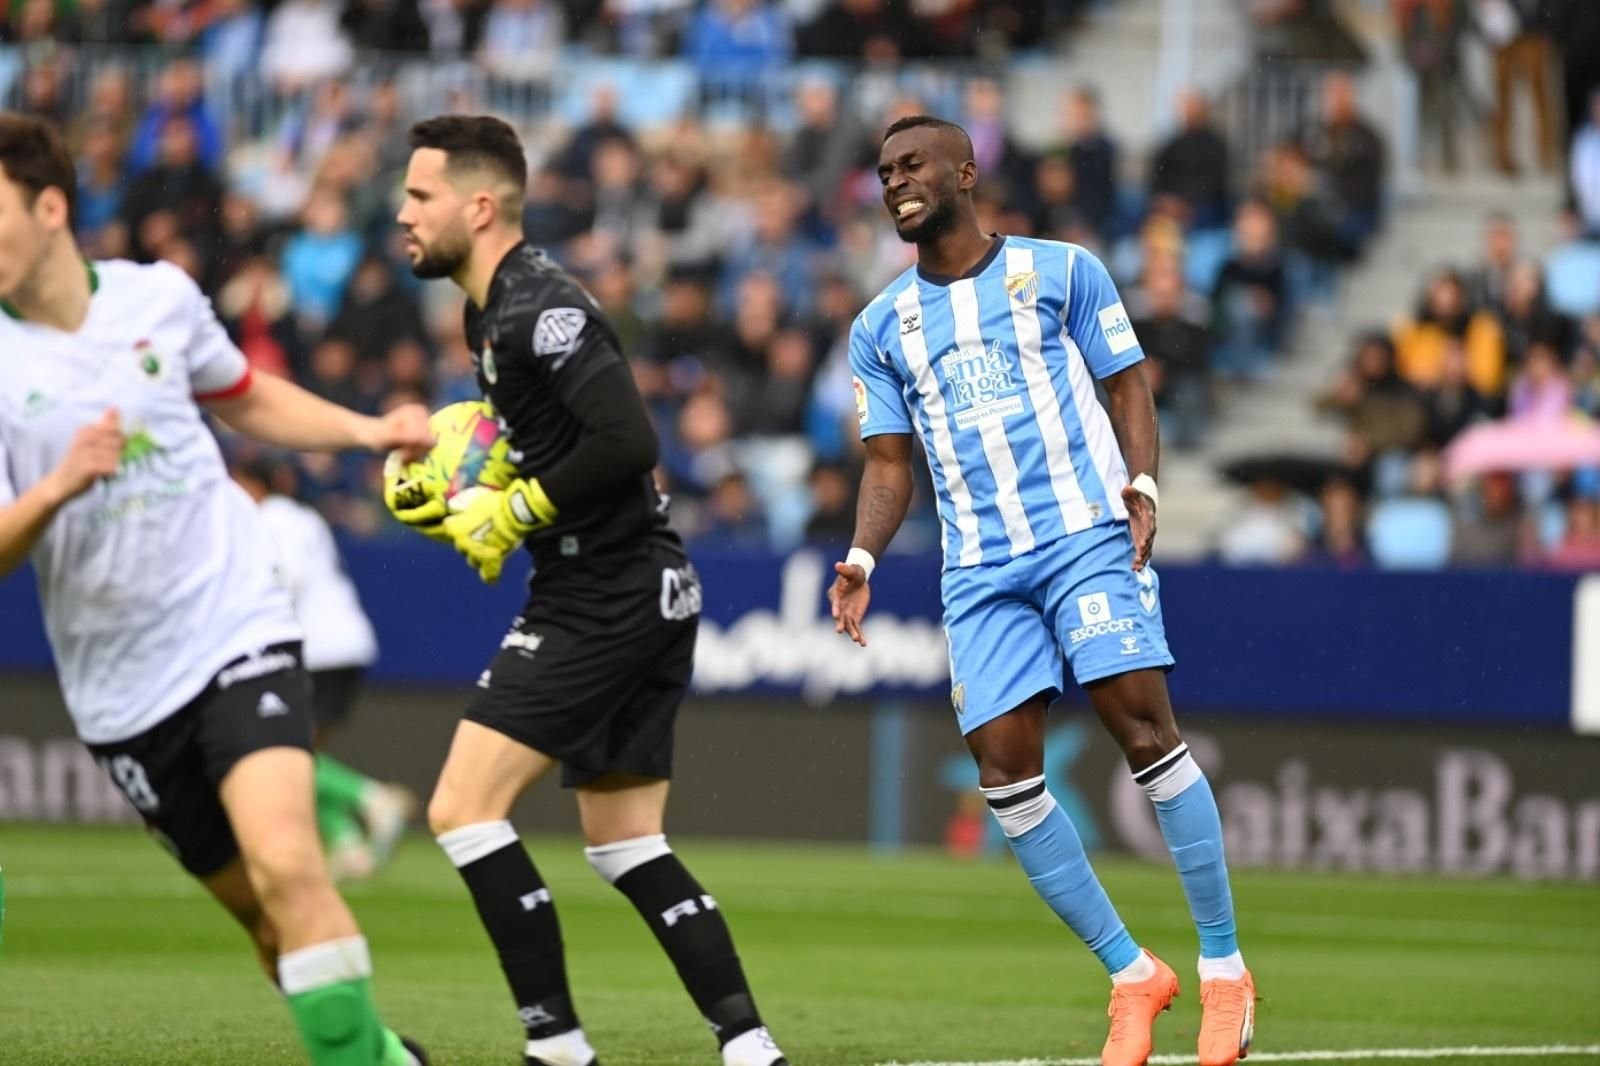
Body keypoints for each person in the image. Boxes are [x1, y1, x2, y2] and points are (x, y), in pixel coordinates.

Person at [0, 113, 432, 1066]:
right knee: (268, 928)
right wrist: (58, 486)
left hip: (232, 623)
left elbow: (242, 393)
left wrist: (366, 432)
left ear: (49, 205)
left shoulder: (157, 299)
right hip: (120, 695)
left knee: (289, 861)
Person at [829, 115, 1255, 1066]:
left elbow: (1129, 386)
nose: (896, 181)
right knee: (1007, 776)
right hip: (979, 570)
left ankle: (1225, 969)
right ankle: (1132, 974)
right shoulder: (878, 328)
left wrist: (1141, 484)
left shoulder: (1064, 272)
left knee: (1144, 730)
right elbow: (889, 467)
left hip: (1083, 537)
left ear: (966, 170)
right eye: (885, 171)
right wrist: (859, 557)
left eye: (913, 164)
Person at [385, 114, 787, 1066]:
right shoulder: (487, 314)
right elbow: (557, 444)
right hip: (632, 586)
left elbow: (628, 442)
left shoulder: (540, 309)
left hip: (606, 593)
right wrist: (468, 504)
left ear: (479, 207)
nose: (401, 214)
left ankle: (557, 1048)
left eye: (418, 196)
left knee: (460, 807)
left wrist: (514, 509)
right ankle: (751, 1048)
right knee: (625, 843)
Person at [229, 453, 418, 880]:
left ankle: (370, 799)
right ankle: (347, 841)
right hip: (343, 643)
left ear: (253, 485)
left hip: (315, 648)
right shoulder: (302, 518)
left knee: (283, 752)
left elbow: (287, 579)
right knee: (302, 754)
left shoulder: (270, 520)